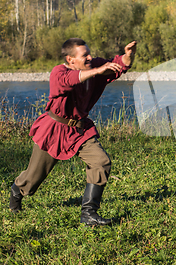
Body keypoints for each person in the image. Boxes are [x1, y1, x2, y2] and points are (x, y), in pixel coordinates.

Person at [9, 38, 136, 226]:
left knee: (101, 162)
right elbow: (68, 81)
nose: (90, 58)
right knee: (33, 179)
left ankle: (89, 214)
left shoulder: (93, 66)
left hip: (80, 130)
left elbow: (117, 65)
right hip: (54, 130)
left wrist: (127, 57)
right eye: (85, 56)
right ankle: (16, 192)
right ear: (70, 60)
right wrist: (97, 71)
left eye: (89, 54)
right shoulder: (58, 73)